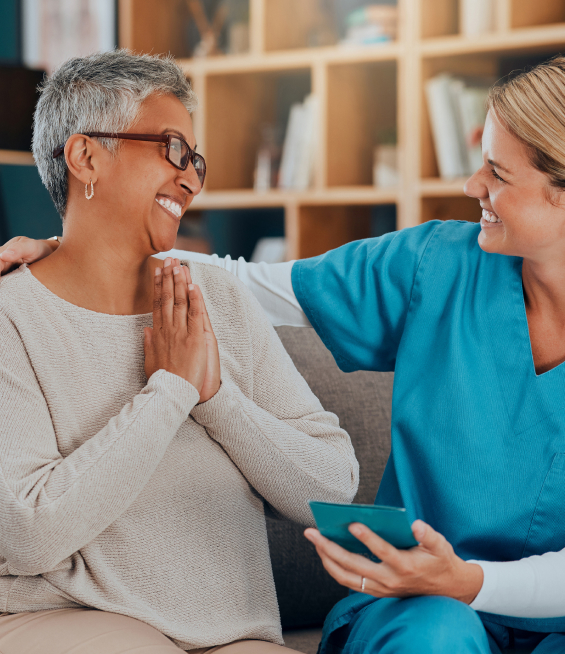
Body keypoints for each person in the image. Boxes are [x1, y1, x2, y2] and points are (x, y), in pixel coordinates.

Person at [3, 56, 565, 653]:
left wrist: (469, 579)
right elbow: (246, 283)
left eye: (498, 171)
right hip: (420, 600)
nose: (471, 183)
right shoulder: (437, 266)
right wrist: (71, 251)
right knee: (434, 634)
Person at [0, 50, 359, 654]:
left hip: (230, 631)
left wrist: (214, 396)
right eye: (171, 149)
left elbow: (331, 487)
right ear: (86, 156)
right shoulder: (14, 315)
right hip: (64, 616)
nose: (190, 177)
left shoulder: (217, 299)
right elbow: (27, 533)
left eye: (195, 159)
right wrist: (169, 392)